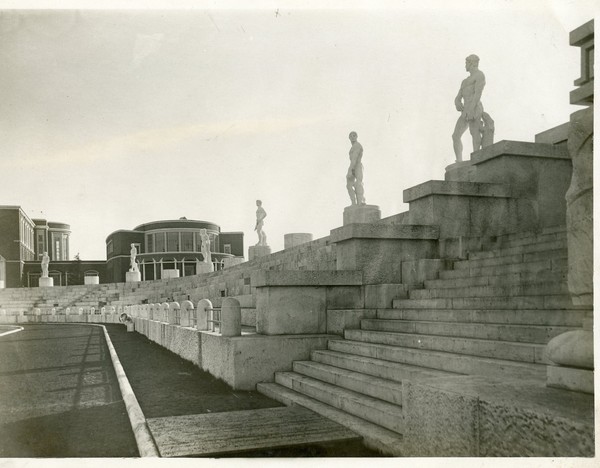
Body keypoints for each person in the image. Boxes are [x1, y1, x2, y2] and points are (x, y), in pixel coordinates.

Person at [452, 54, 487, 162]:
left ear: (472, 63)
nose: (465, 65)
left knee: (474, 132)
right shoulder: (465, 81)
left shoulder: (479, 75)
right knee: (455, 136)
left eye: (466, 63)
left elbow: (477, 94)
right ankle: (459, 160)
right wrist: (457, 102)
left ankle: (476, 159)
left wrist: (471, 110)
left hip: (475, 107)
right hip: (466, 110)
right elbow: (458, 96)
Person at [346, 131, 365, 205]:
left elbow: (354, 159)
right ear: (349, 138)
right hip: (353, 165)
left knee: (358, 183)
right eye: (351, 136)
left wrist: (350, 170)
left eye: (354, 135)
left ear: (357, 137)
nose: (352, 137)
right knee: (349, 185)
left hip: (357, 166)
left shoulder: (357, 145)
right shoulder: (352, 147)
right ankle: (353, 202)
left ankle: (360, 202)